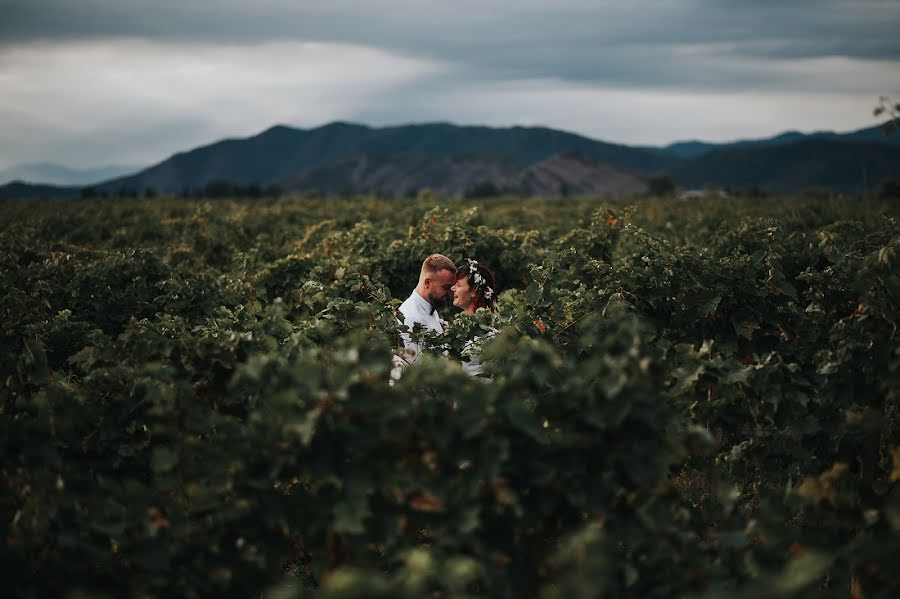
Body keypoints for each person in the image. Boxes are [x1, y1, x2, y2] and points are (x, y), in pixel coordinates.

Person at [392, 254, 457, 378]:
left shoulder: (431, 306)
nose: (450, 293)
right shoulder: (410, 318)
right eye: (446, 287)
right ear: (427, 282)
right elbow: (419, 372)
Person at [450, 258, 498, 377]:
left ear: (474, 291)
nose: (452, 288)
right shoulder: (460, 326)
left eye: (458, 285)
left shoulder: (487, 330)